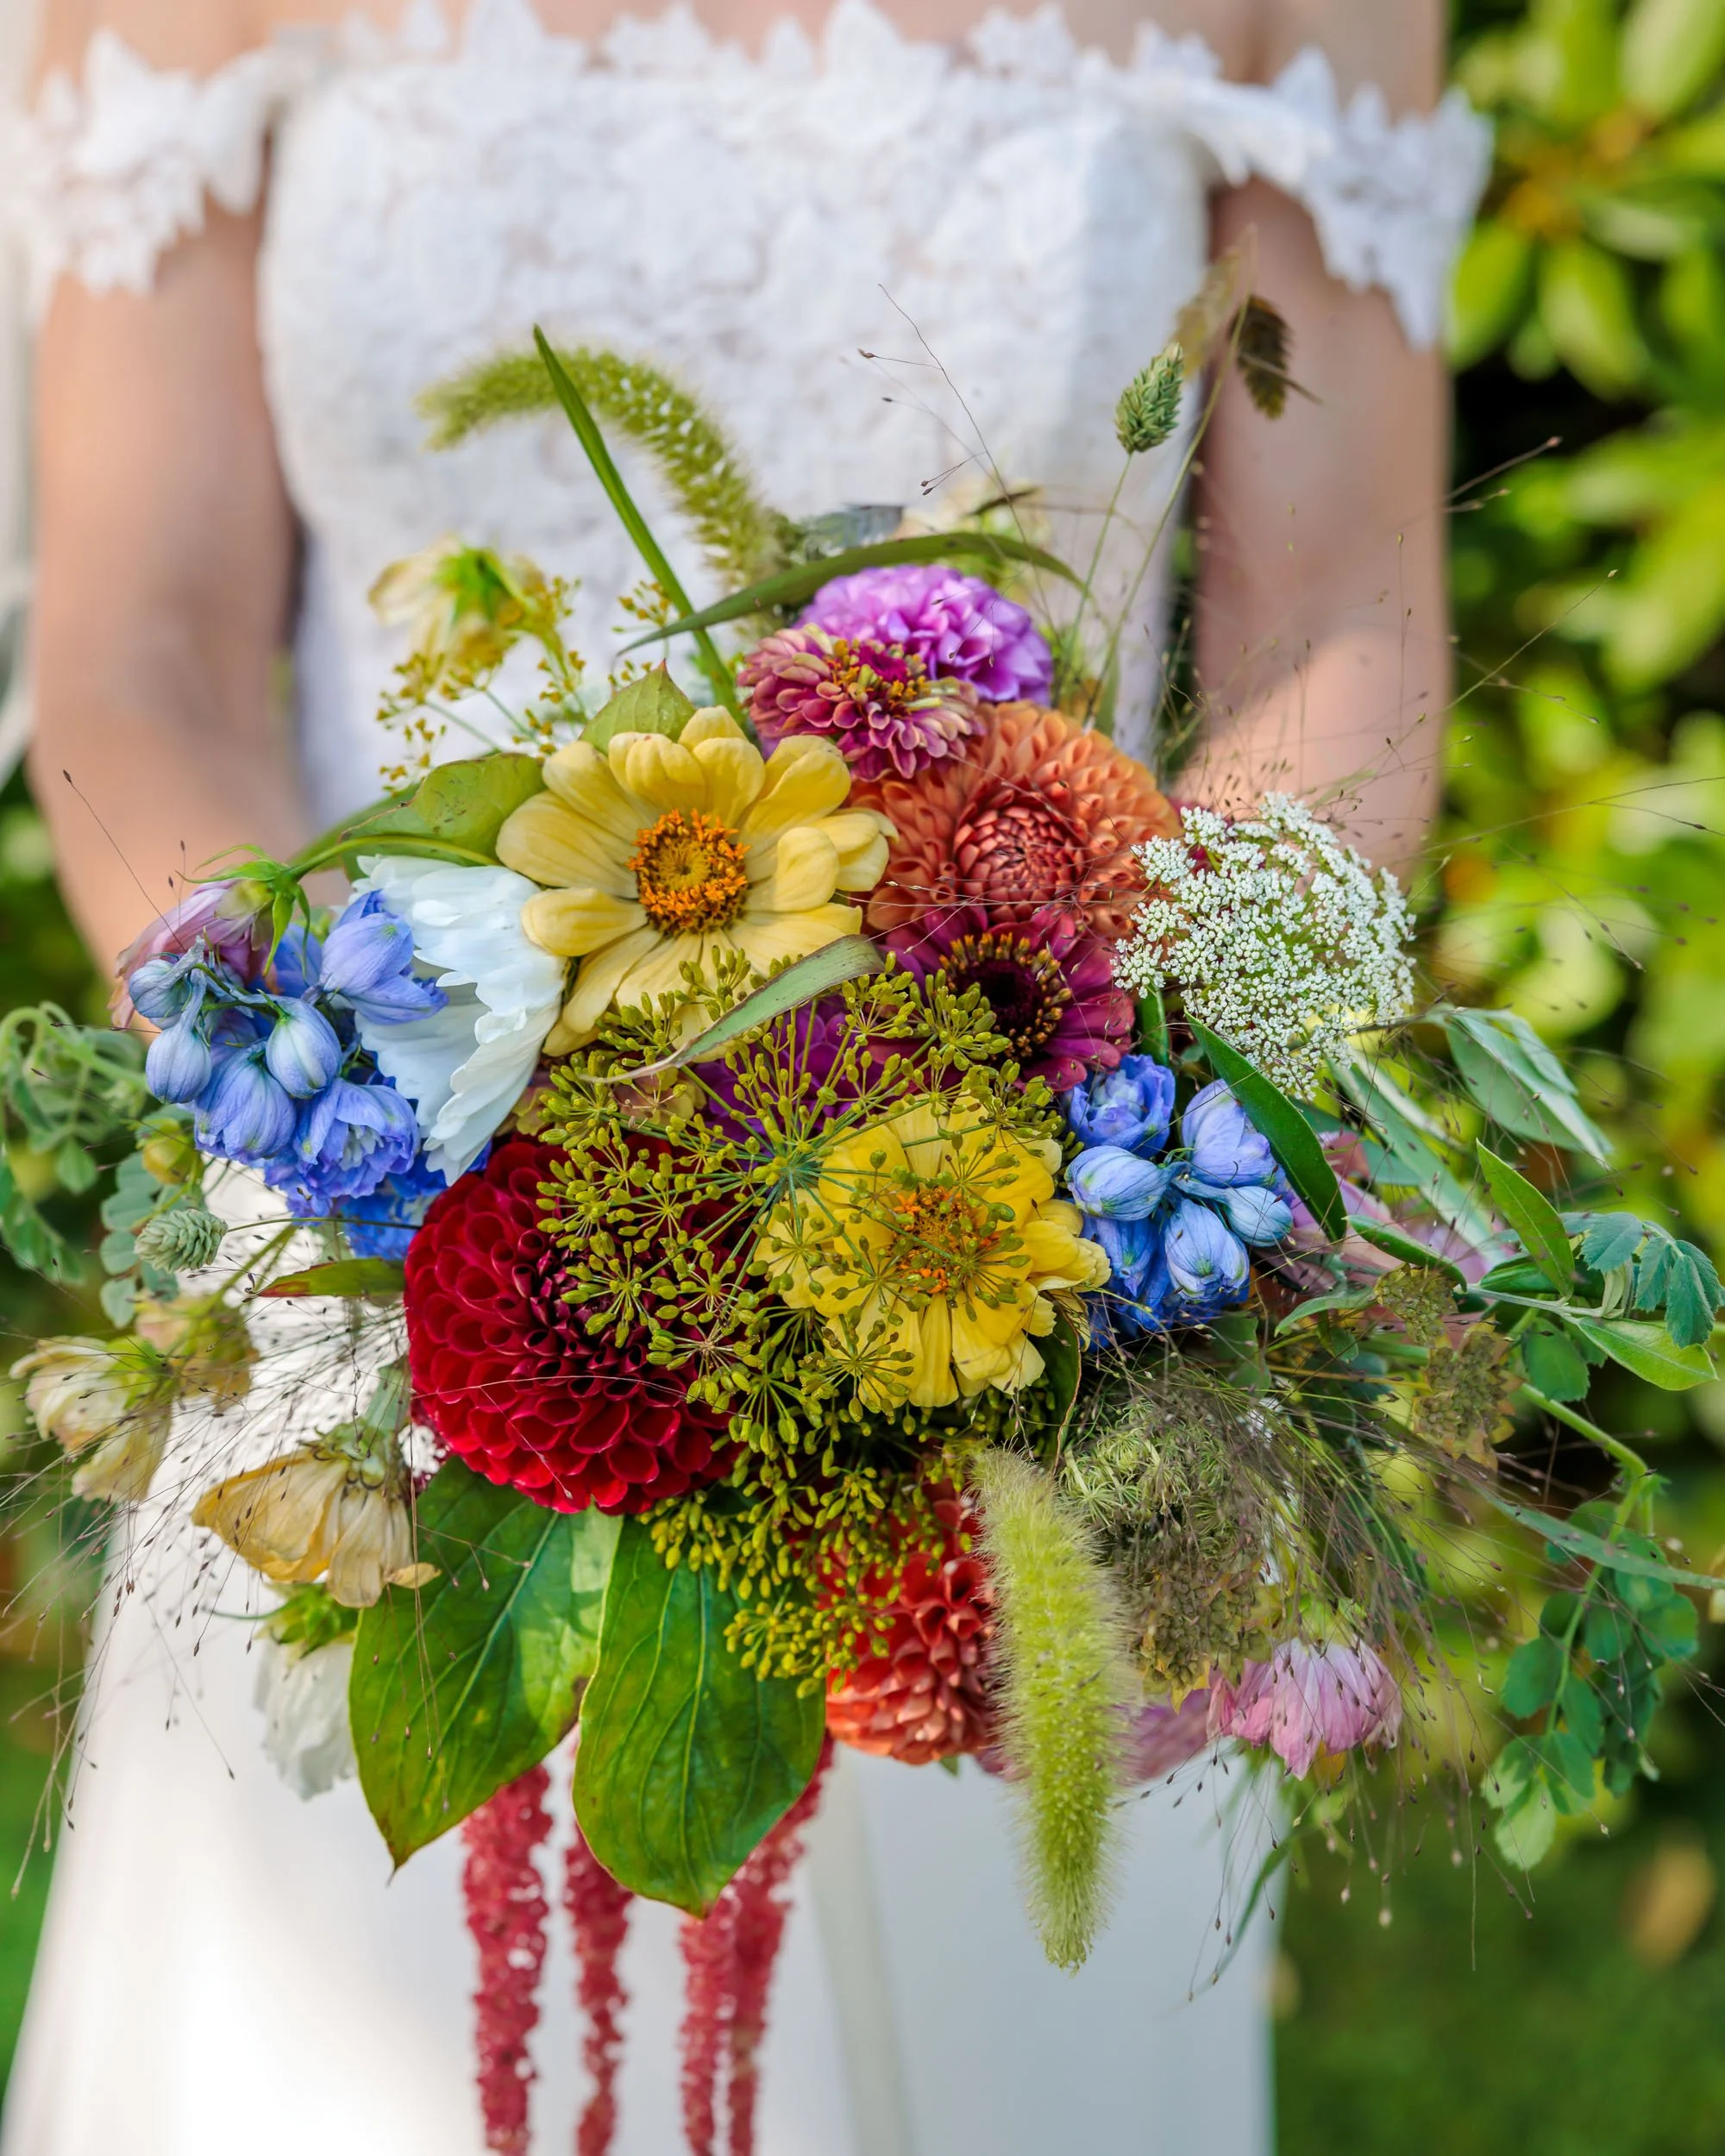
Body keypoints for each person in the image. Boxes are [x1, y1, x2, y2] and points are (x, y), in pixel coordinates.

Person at [2, 3, 1487, 2152]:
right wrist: (363, 1071)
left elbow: (1342, 610)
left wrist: (1122, 1086)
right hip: (406, 1216)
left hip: (1037, 1233)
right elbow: (139, 648)